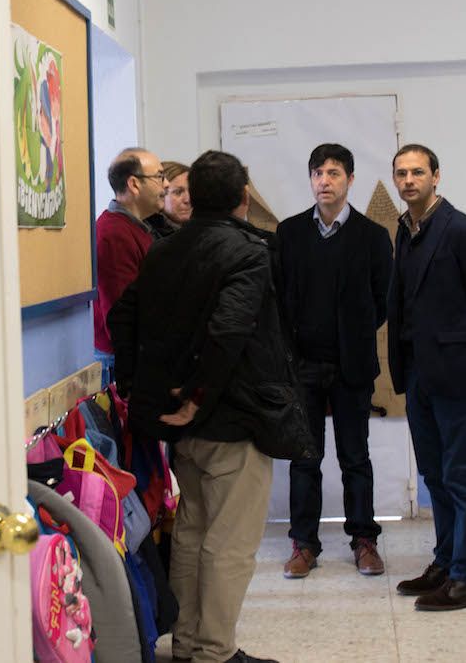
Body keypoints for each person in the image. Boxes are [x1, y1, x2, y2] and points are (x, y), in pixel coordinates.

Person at [108, 149, 285, 663]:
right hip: (229, 418)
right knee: (228, 543)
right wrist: (197, 396)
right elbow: (229, 330)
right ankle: (215, 652)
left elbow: (123, 318)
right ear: (243, 199)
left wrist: (147, 387)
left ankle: (186, 645)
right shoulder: (250, 251)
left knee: (191, 534)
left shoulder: (162, 247)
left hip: (180, 425)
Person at [387, 144, 466, 612]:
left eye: (417, 172)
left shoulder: (464, 231)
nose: (408, 180)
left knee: (463, 474)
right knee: (434, 473)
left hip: (455, 370)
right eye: (401, 173)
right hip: (417, 370)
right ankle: (447, 560)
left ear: (437, 176)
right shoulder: (405, 229)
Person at [275, 143, 392, 579]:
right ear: (310, 180)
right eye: (318, 173)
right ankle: (304, 544)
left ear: (350, 180)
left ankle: (364, 540)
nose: (325, 181)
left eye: (334, 173)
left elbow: (382, 301)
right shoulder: (288, 235)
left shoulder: (373, 237)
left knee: (355, 458)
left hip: (351, 367)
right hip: (302, 367)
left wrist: (351, 335)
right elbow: (280, 300)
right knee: (304, 459)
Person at [93, 147, 166, 387]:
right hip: (121, 364)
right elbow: (121, 314)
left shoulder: (136, 227)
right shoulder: (113, 234)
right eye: (159, 177)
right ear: (134, 184)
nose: (165, 185)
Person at [146, 160, 192, 238]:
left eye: (192, 191)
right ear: (158, 194)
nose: (188, 200)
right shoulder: (148, 235)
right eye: (178, 192)